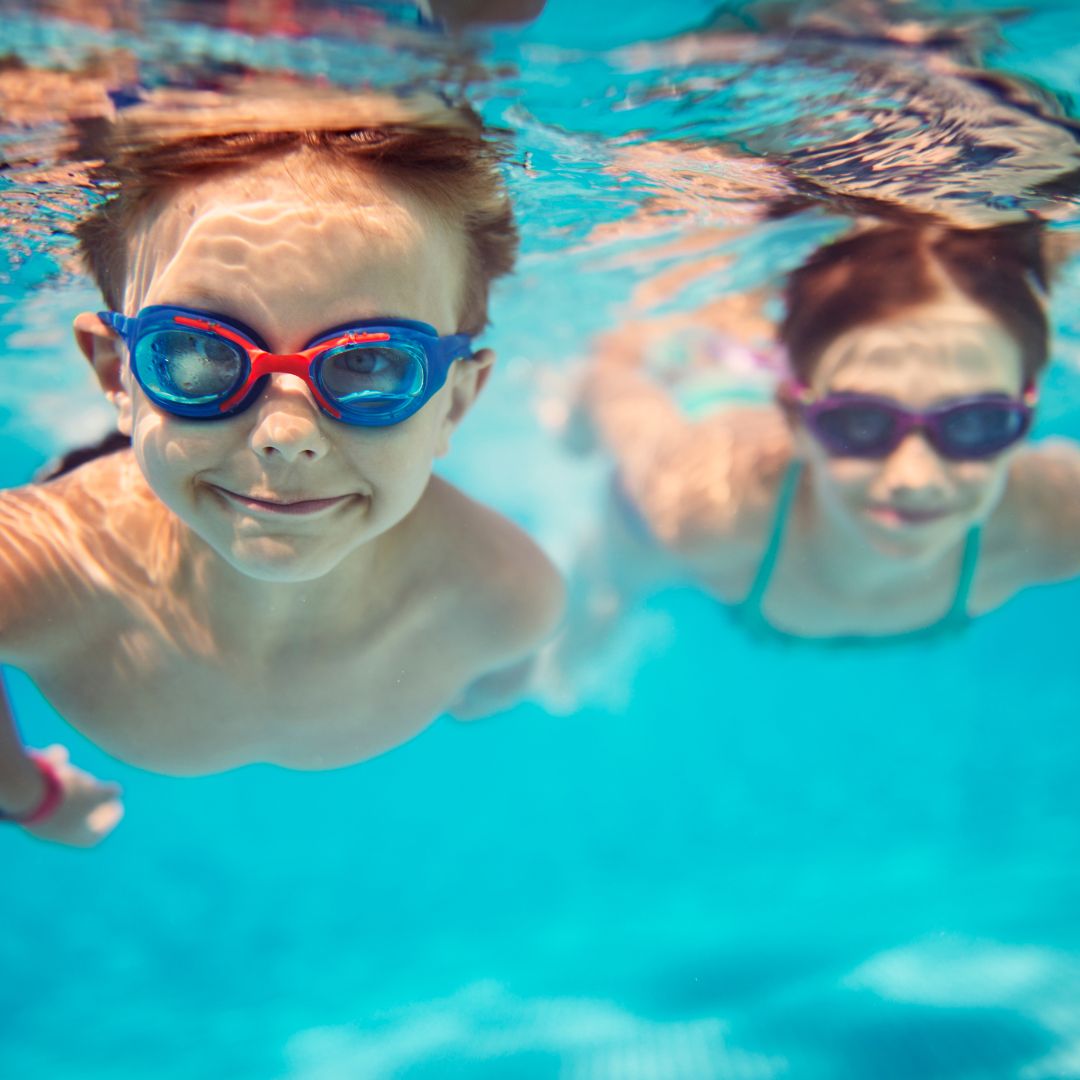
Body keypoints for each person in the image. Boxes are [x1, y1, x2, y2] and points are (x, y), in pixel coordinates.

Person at [0, 87, 564, 847]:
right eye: (196, 351)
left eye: (369, 363)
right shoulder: (42, 571)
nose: (286, 433)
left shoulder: (506, 597)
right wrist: (22, 791)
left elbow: (504, 677)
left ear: (454, 404)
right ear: (115, 376)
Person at [557, 221, 1080, 666]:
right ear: (797, 421)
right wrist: (575, 436)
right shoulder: (701, 504)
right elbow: (611, 379)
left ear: (1025, 418)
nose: (916, 477)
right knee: (609, 590)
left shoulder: (1061, 520)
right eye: (860, 423)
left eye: (977, 423)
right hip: (713, 397)